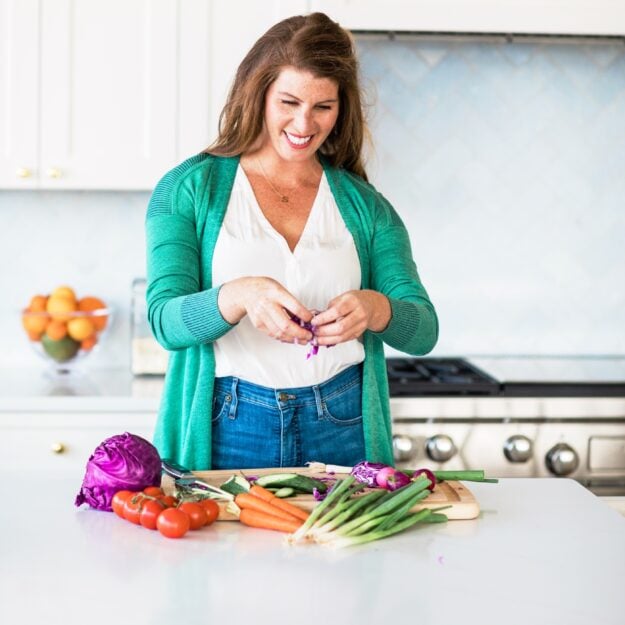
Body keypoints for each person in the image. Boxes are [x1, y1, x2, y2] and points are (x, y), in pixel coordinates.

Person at [145, 12, 438, 470]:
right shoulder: (188, 189)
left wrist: (375, 309)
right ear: (257, 93)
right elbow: (164, 321)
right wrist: (238, 296)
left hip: (342, 422)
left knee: (347, 544)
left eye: (323, 106)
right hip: (230, 422)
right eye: (288, 101)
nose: (304, 123)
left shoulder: (365, 206)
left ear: (342, 109)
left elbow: (423, 331)